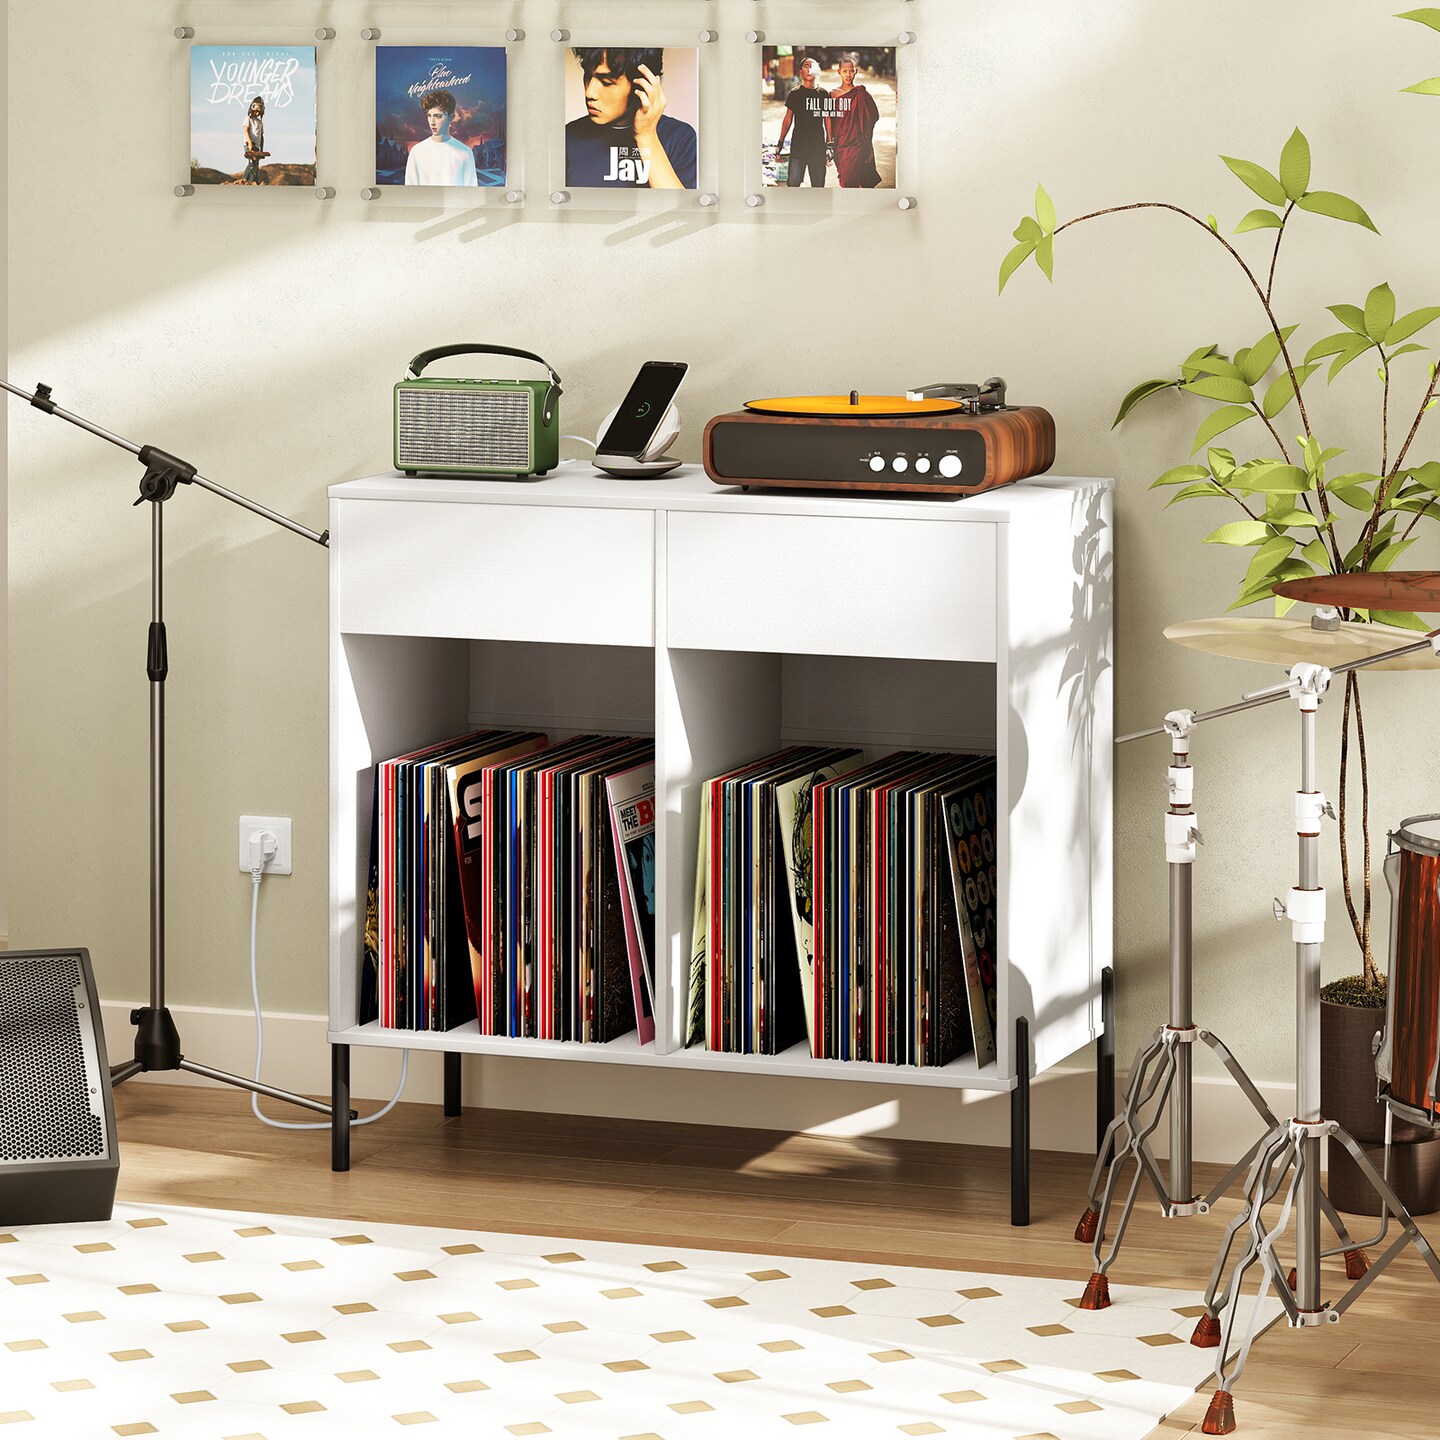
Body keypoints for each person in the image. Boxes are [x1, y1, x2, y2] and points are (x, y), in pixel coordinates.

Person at [565, 48, 697, 189]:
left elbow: (681, 210)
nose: (589, 92)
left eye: (606, 82)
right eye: (587, 76)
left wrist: (646, 136)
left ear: (642, 85)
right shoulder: (567, 138)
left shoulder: (680, 139)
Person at [774, 57, 830, 188]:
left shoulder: (824, 94)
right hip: (798, 147)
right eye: (806, 66)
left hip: (818, 147)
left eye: (813, 66)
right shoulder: (795, 94)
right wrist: (780, 142)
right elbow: (788, 119)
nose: (809, 69)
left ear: (818, 71)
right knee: (793, 184)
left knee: (818, 185)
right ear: (800, 72)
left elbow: (828, 120)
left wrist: (830, 144)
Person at [404, 89, 478, 186]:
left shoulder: (465, 153)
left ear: (451, 118)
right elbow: (410, 192)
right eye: (429, 116)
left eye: (438, 116)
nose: (432, 122)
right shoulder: (417, 151)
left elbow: (471, 193)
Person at [829, 53, 882, 188]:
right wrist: (829, 143)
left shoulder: (861, 94)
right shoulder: (832, 94)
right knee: (844, 177)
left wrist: (865, 139)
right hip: (839, 143)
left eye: (851, 71)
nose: (848, 75)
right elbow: (828, 120)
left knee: (848, 181)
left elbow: (873, 116)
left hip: (856, 144)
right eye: (845, 71)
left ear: (856, 71)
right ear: (839, 72)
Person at [242, 96, 269, 185]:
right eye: (256, 111)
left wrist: (261, 148)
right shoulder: (248, 119)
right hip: (249, 144)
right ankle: (244, 181)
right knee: (252, 163)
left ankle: (254, 182)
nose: (257, 113)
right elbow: (245, 130)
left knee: (256, 165)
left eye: (259, 111)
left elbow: (261, 136)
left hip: (257, 146)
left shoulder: (259, 122)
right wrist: (250, 143)